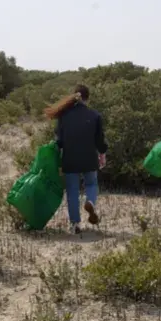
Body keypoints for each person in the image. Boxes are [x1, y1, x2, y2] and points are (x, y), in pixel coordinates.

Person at [45, 84, 108, 234]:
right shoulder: (95, 116)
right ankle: (90, 201)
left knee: (72, 191)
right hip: (89, 158)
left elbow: (59, 141)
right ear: (88, 98)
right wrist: (102, 154)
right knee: (92, 184)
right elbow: (100, 140)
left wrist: (52, 155)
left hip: (70, 158)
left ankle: (75, 224)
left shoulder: (64, 116)